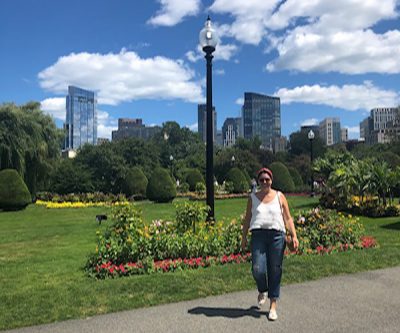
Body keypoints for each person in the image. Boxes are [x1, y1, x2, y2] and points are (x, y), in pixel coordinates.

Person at [241, 167, 299, 321]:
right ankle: (262, 289)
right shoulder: (252, 198)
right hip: (258, 235)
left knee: (275, 269)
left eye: (267, 179)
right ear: (258, 181)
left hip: (277, 236)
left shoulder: (280, 196)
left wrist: (294, 235)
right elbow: (247, 218)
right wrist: (244, 237)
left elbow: (287, 218)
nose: (265, 182)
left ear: (271, 180)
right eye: (262, 180)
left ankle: (273, 305)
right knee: (257, 269)